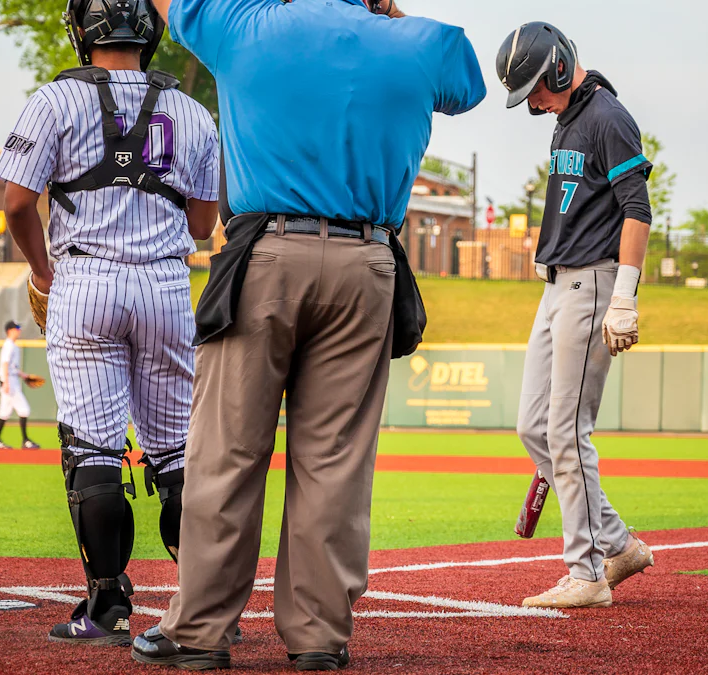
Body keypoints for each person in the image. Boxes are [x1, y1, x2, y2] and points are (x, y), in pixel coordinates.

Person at [132, 0, 484, 670]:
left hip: (265, 256)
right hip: (368, 263)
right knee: (335, 465)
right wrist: (385, 14)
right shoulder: (421, 43)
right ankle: (319, 635)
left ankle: (201, 631)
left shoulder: (244, 24)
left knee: (227, 453)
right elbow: (469, 82)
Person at [0, 0, 220, 646]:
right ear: (148, 33)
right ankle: (203, 607)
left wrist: (43, 271)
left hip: (85, 280)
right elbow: (203, 226)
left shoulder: (52, 101)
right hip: (166, 285)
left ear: (80, 31)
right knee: (179, 453)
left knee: (92, 450)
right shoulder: (192, 112)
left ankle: (107, 605)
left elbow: (15, 201)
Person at [496, 21, 656, 609]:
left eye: (535, 88)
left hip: (594, 282)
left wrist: (625, 297)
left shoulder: (608, 117)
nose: (533, 102)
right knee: (534, 428)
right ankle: (615, 542)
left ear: (559, 68)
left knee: (566, 431)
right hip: (559, 283)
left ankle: (587, 573)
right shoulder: (568, 117)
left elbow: (637, 209)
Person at [0, 321, 40, 450]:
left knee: (4, 412)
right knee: (24, 409)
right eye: (17, 328)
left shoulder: (12, 345)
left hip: (11, 380)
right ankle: (25, 441)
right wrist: (7, 383)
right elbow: (5, 364)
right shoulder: (9, 345)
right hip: (9, 382)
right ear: (10, 330)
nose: (19, 330)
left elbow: (12, 367)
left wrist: (24, 375)